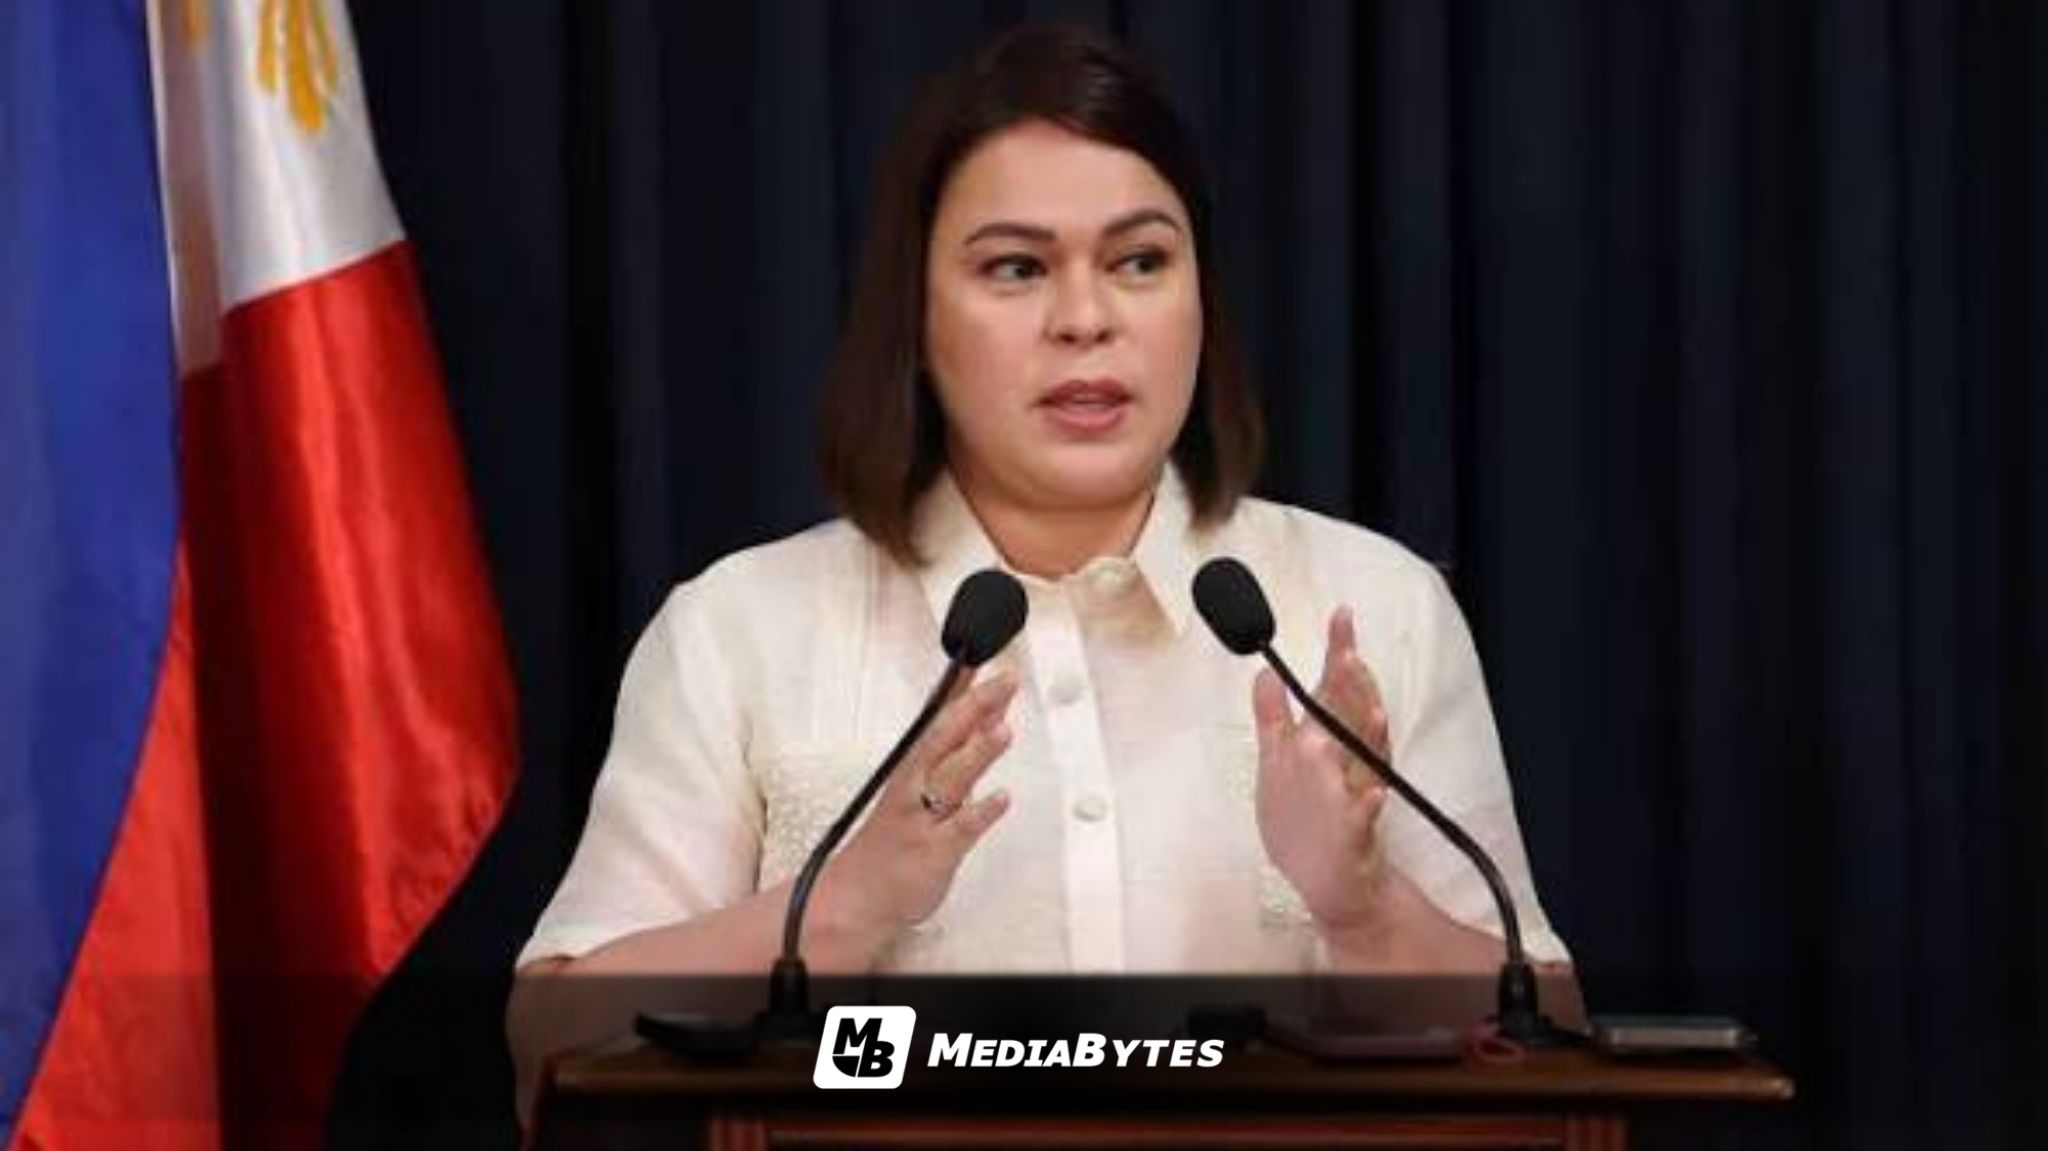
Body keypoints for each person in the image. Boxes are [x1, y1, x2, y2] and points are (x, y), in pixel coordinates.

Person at [508, 21, 1573, 1109]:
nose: (1085, 319)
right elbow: (552, 1039)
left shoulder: (1370, 608)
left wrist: (1363, 904)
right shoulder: (741, 629)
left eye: (1139, 262)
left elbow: (1553, 1044)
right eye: (1015, 267)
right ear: (915, 314)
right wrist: (842, 907)